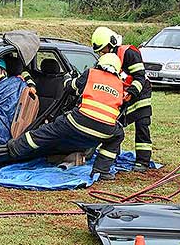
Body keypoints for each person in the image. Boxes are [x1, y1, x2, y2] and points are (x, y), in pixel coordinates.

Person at [8, 53, 126, 181]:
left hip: (79, 121)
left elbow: (71, 86)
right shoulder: (120, 85)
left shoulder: (91, 73)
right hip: (105, 129)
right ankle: (102, 171)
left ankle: (17, 147)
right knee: (118, 136)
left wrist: (67, 78)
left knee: (49, 130)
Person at [91, 26, 153, 172]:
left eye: (103, 49)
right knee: (115, 125)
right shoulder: (105, 59)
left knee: (142, 126)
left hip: (140, 95)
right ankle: (112, 157)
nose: (102, 53)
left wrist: (131, 92)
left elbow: (139, 77)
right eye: (100, 51)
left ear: (111, 43)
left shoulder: (129, 53)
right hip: (122, 96)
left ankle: (143, 162)